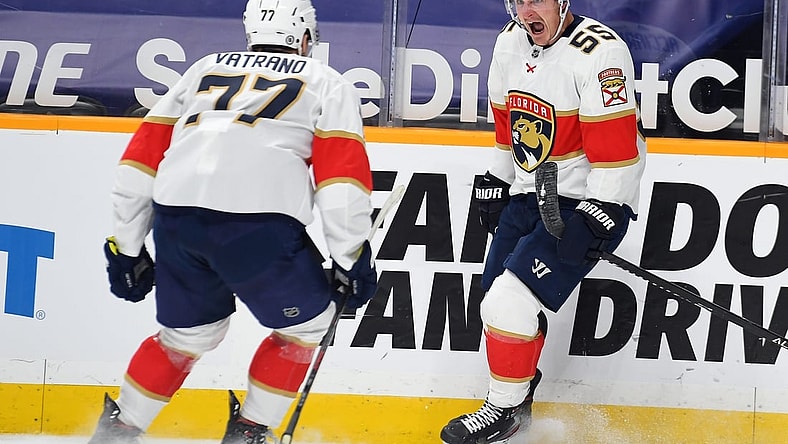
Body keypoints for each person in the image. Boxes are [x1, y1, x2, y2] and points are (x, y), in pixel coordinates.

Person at [88, 0, 377, 443]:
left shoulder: (204, 69)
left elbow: (139, 163)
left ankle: (118, 432)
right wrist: (351, 258)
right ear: (304, 38)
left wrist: (125, 248)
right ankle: (250, 432)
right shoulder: (325, 81)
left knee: (186, 336)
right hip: (257, 225)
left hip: (176, 220)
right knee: (308, 325)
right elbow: (341, 184)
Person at [440, 0, 646, 443]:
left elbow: (617, 153)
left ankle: (502, 409)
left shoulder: (600, 53)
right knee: (494, 302)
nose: (525, 10)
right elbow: (507, 127)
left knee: (508, 304)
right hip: (528, 192)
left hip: (585, 201)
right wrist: (496, 177)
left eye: (537, 0)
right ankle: (520, 405)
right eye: (518, 0)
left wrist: (600, 215)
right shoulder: (509, 41)